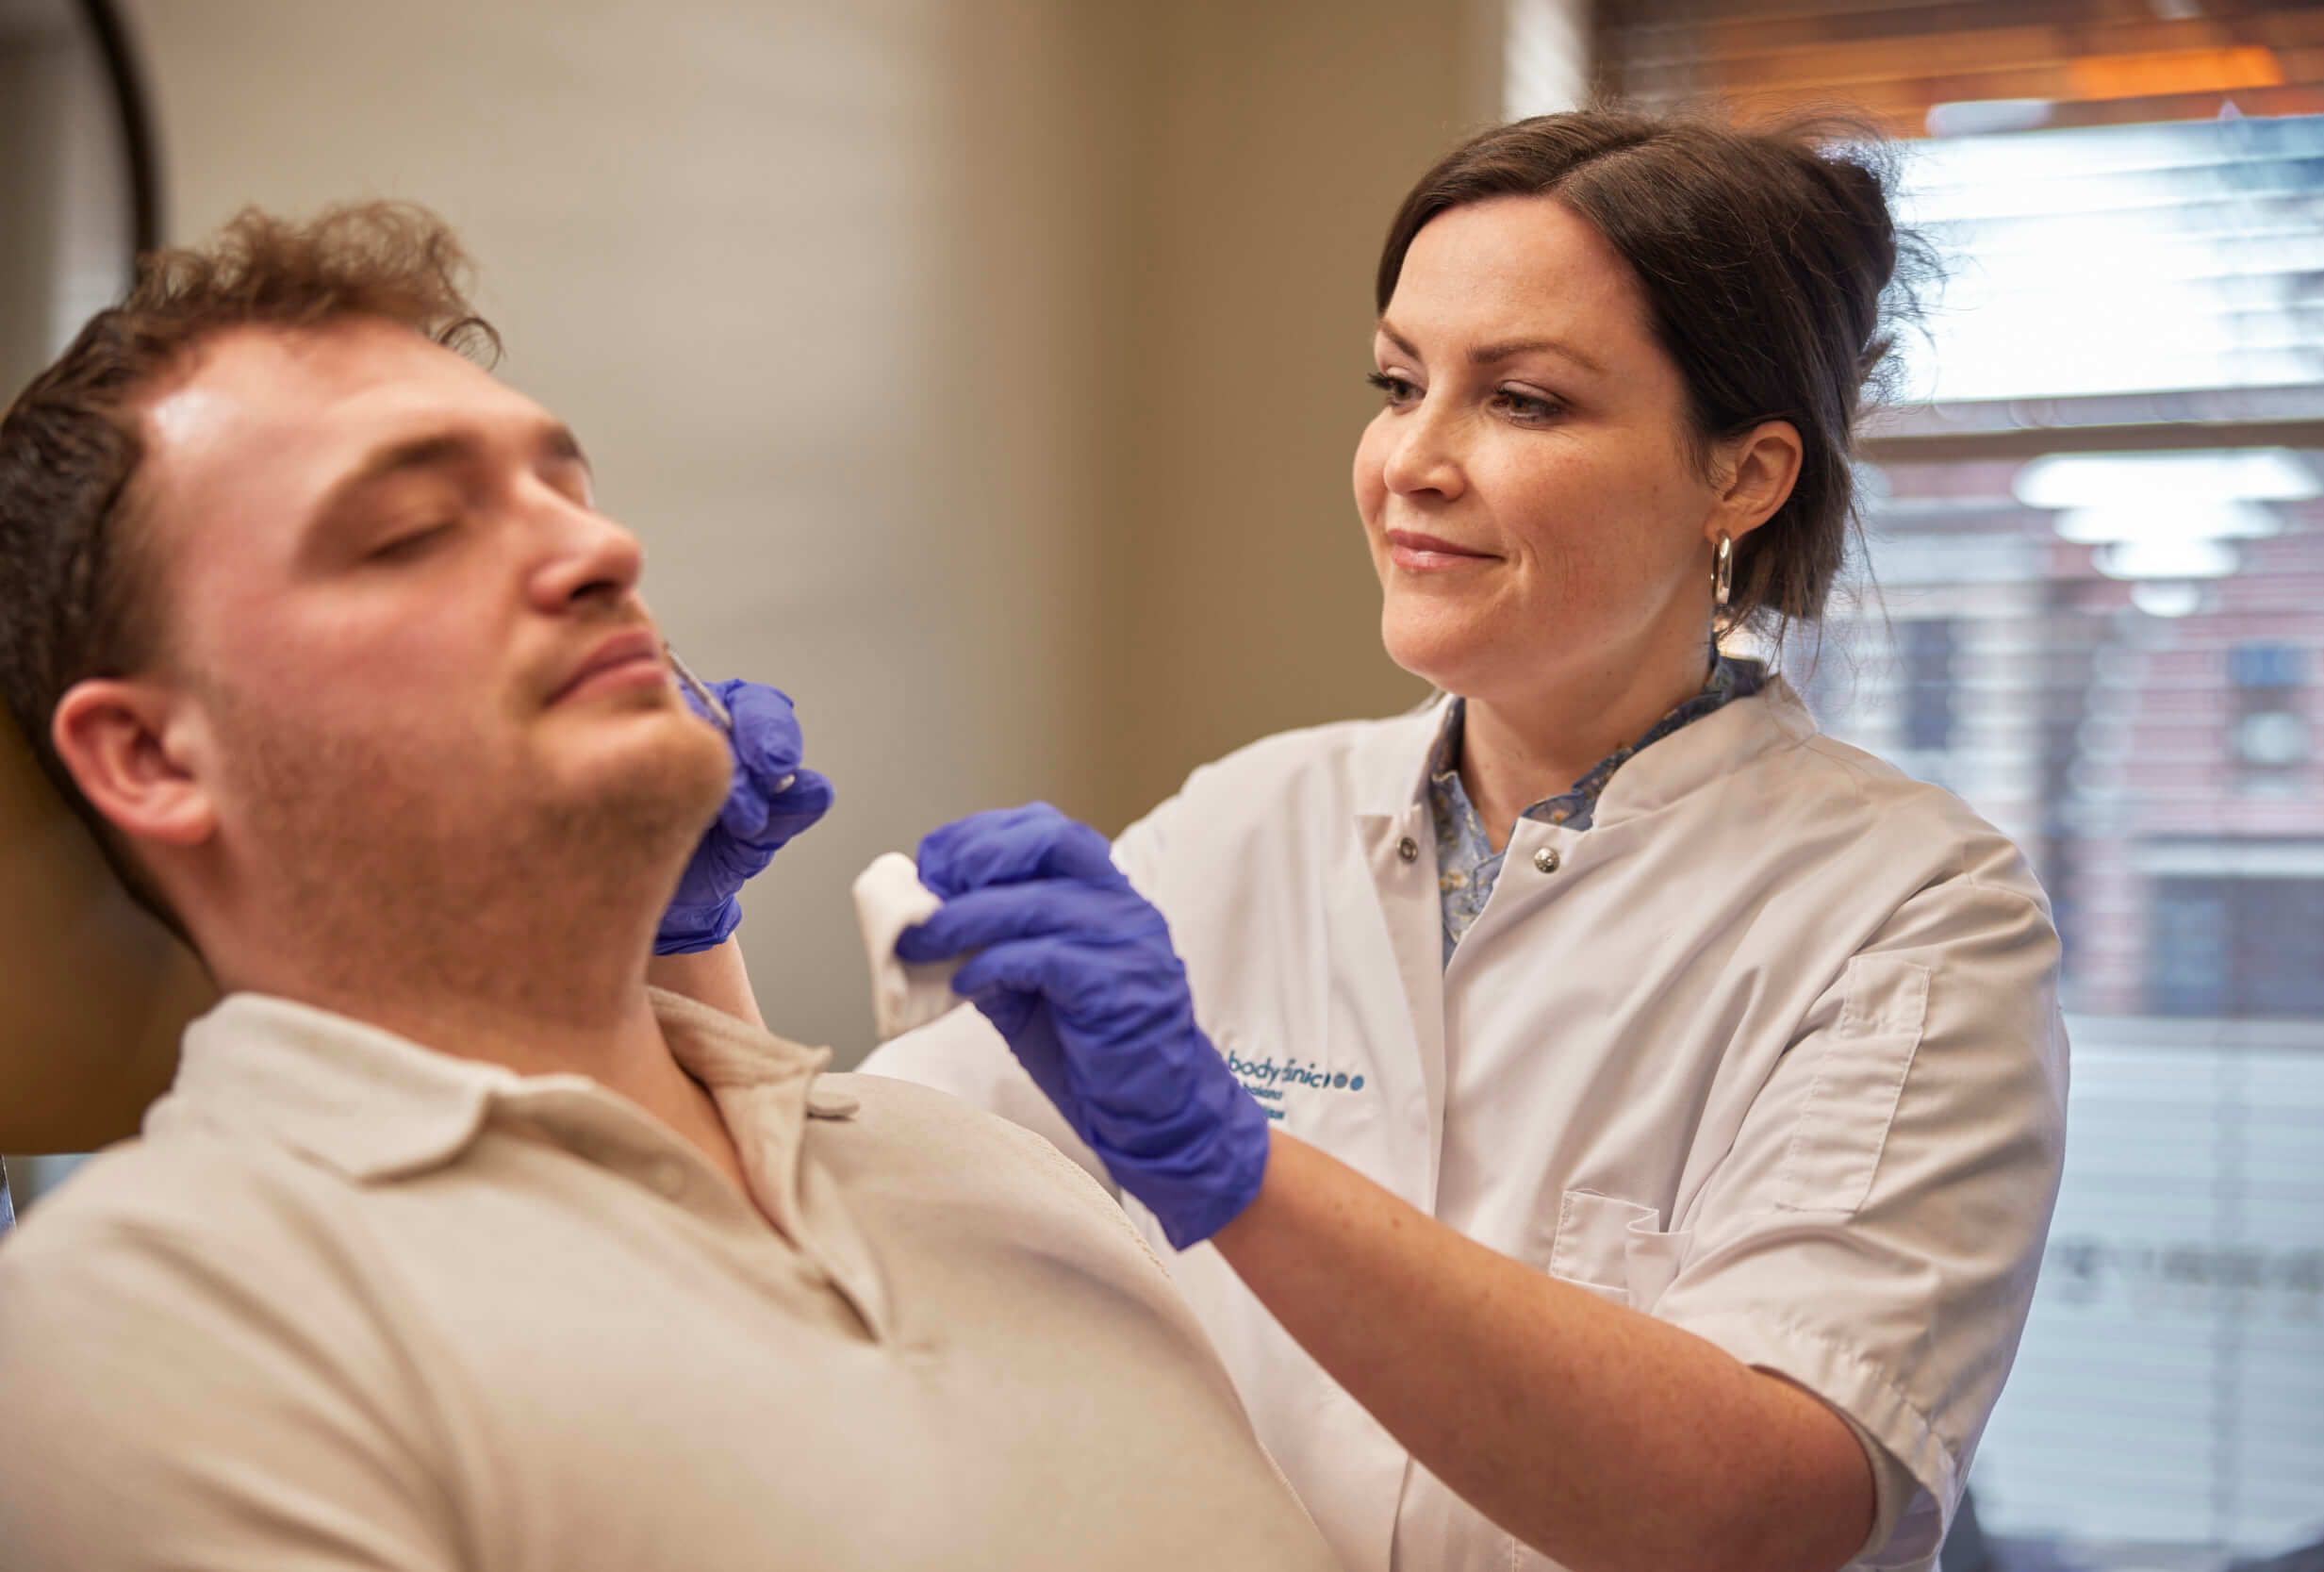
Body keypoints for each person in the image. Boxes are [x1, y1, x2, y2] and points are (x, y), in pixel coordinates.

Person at [0, 204, 1339, 1572]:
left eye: (567, 494)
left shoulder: (974, 1158)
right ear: (155, 756)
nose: (604, 554)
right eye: (409, 531)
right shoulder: (174, 1310)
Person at [848, 109, 2070, 1572]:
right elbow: (871, 1201)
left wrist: (1234, 1167)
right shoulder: (1247, 821)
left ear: (1741, 478)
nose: (1410, 464)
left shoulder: (1910, 915)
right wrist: (670, 946)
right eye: (1398, 383)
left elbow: (1770, 1506)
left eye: (1525, 402)